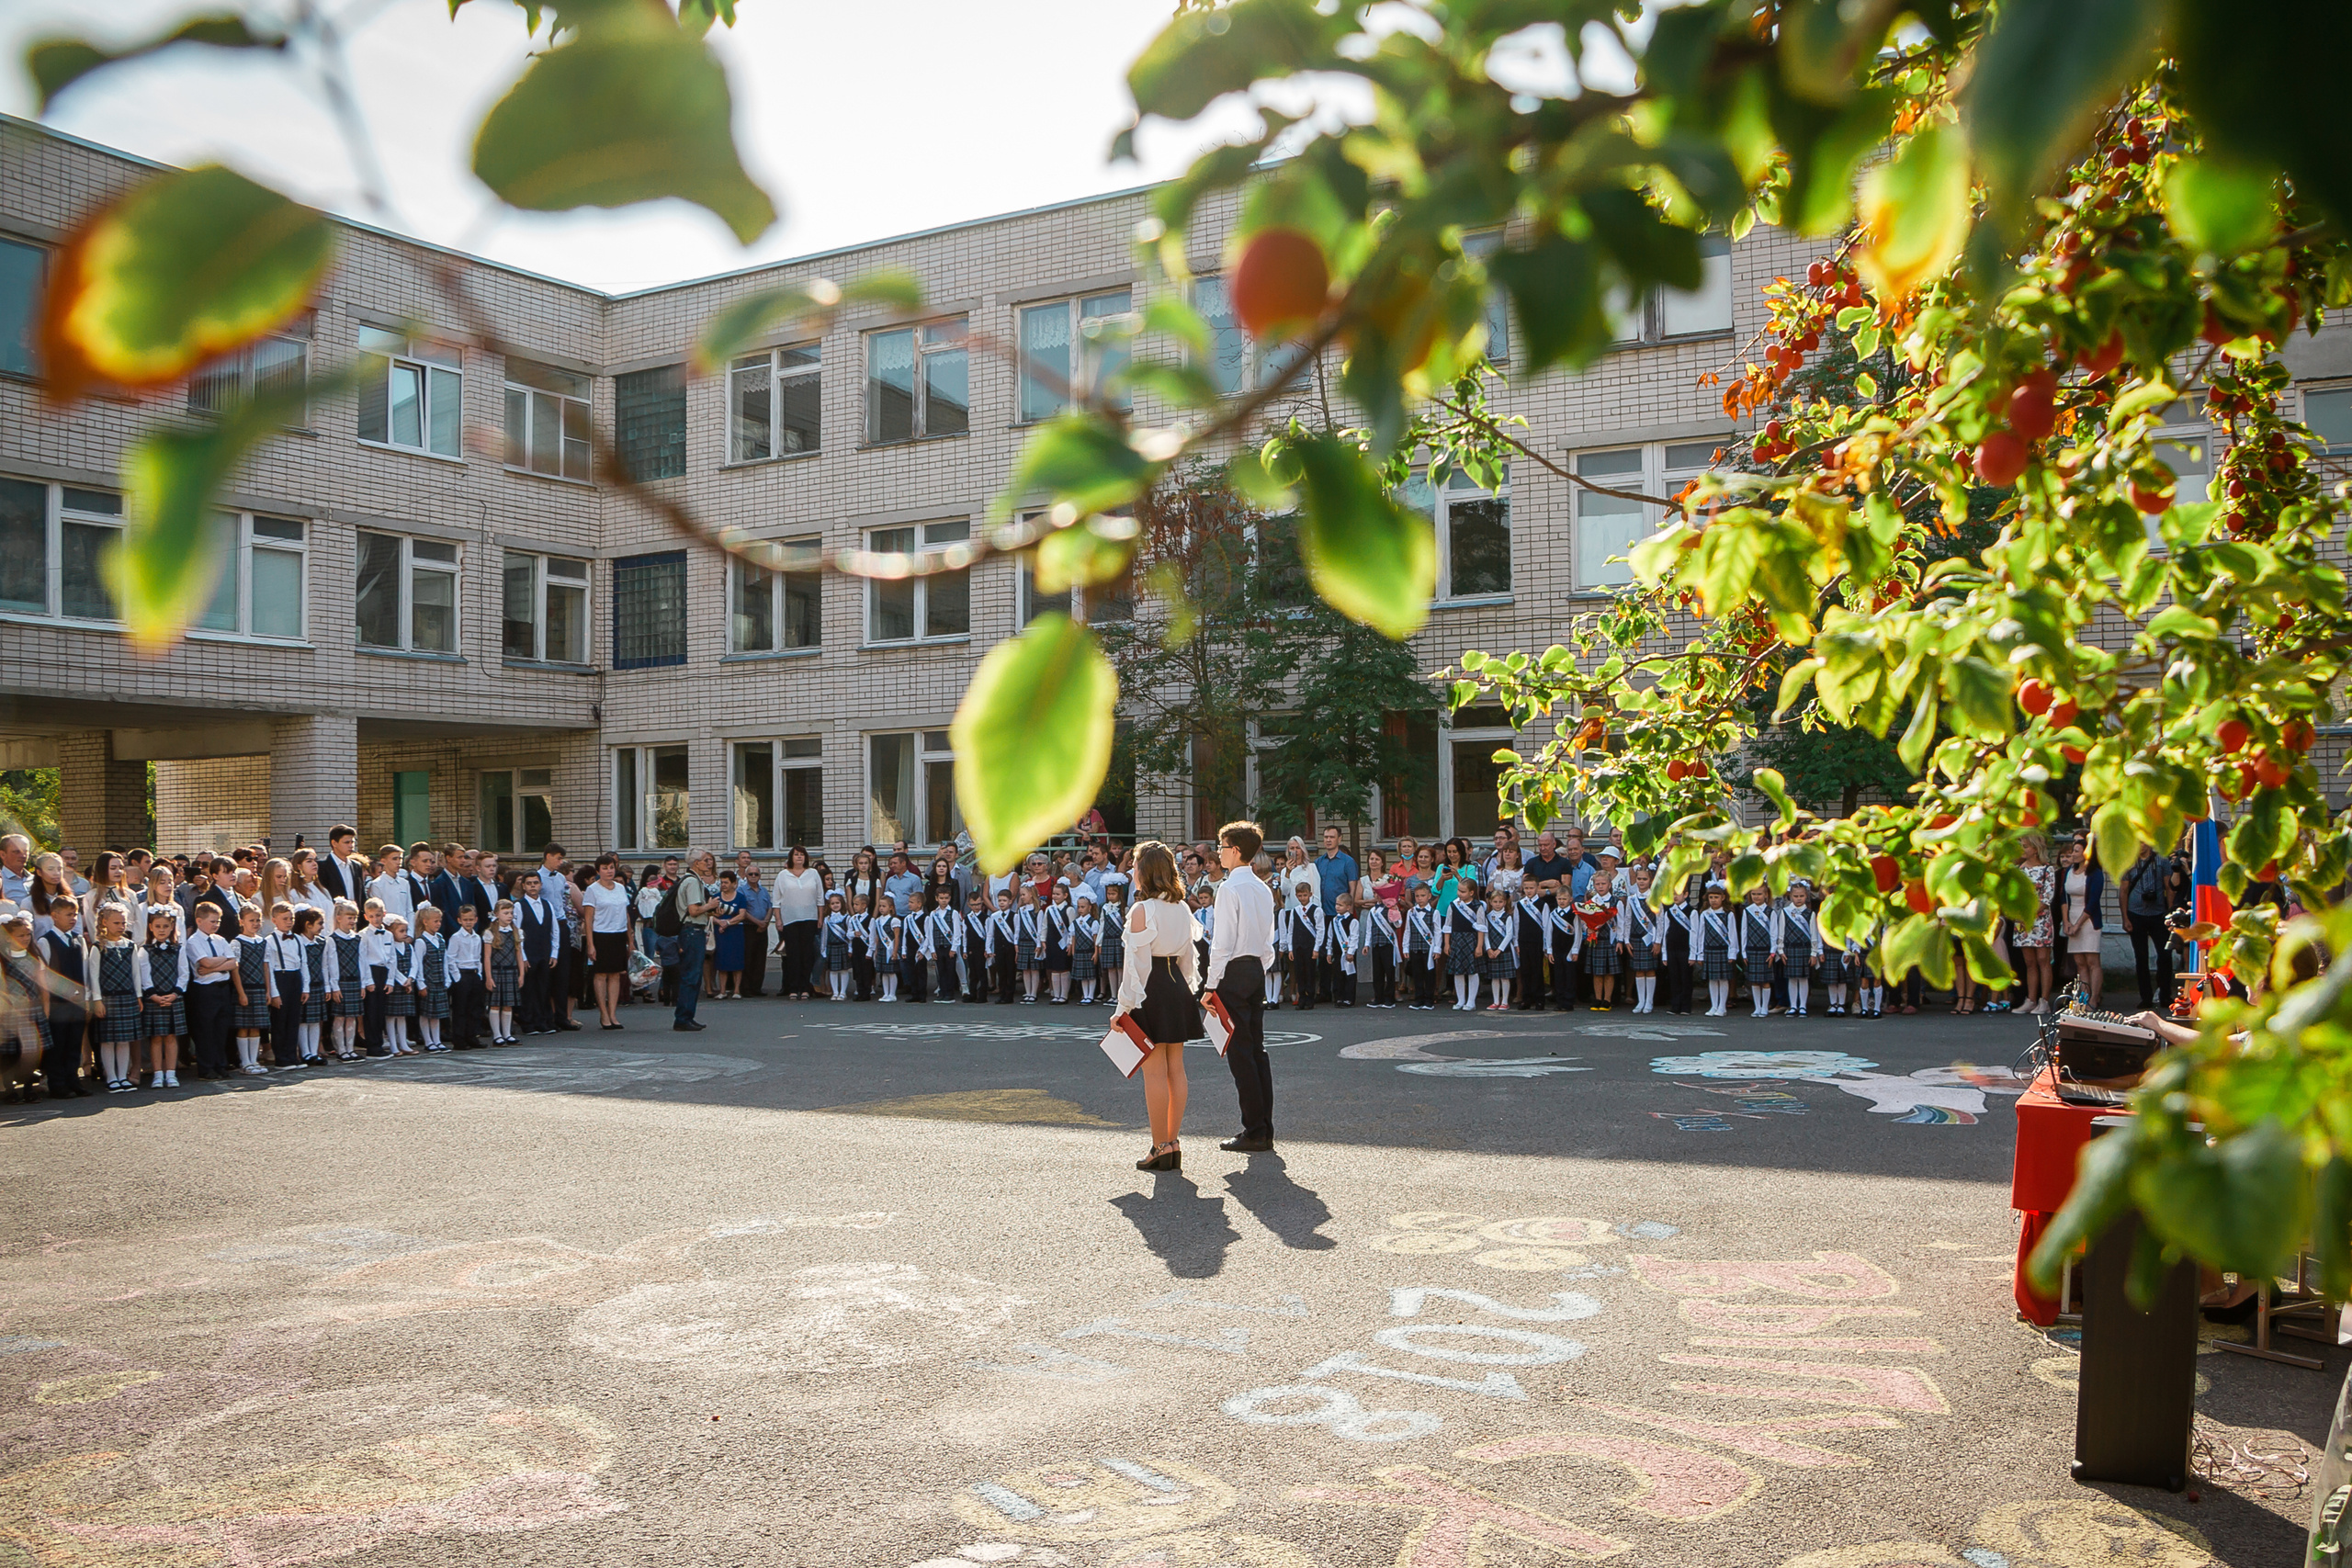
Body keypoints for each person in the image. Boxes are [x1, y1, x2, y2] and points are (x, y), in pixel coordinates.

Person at [1199, 820, 1277, 1153]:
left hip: (1232, 971)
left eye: (1221, 847)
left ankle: (1254, 1129)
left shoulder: (1229, 888)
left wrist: (1210, 983)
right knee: (1255, 1050)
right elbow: (1269, 941)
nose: (1218, 853)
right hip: (1256, 969)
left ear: (1236, 850)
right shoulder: (1262, 887)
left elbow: (1222, 942)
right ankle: (1264, 1127)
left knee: (1239, 1053)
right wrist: (1259, 967)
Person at [2120, 842, 2181, 1010]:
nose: (2140, 845)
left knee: (2164, 955)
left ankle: (2165, 995)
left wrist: (2170, 913)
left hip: (2158, 914)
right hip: (2136, 914)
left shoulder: (2161, 861)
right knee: (2141, 957)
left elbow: (2169, 888)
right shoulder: (2129, 861)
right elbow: (2123, 891)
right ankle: (2145, 997)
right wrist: (2125, 917)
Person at [582, 853, 635, 1029]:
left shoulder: (620, 888)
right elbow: (588, 919)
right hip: (600, 935)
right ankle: (603, 1014)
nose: (609, 871)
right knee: (601, 974)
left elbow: (625, 915)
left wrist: (630, 940)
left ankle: (613, 1014)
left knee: (616, 974)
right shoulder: (593, 890)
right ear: (598, 871)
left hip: (618, 935)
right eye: (604, 868)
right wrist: (590, 944)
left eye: (611, 867)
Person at [669, 852, 718, 1031]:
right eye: (706, 860)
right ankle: (683, 1018)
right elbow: (693, 910)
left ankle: (687, 1015)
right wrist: (709, 906)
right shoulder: (692, 882)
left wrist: (709, 911)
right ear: (696, 863)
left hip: (692, 930)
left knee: (692, 975)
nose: (709, 863)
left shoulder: (691, 880)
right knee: (691, 975)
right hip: (692, 931)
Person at [141, 904, 185, 1089]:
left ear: (172, 927)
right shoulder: (145, 950)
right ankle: (158, 1074)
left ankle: (171, 1074)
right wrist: (153, 995)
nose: (161, 930)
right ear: (151, 927)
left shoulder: (178, 948)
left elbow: (184, 973)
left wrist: (175, 993)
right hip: (155, 998)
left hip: (173, 997)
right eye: (157, 926)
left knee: (171, 1036)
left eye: (166, 926)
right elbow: (144, 974)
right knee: (157, 1037)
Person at [2057, 838, 2105, 1010]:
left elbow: (2093, 902)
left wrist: (2078, 924)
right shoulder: (2069, 871)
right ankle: (2083, 999)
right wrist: (2067, 922)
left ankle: (2094, 999)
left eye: (2076, 851)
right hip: (2072, 918)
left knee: (2092, 961)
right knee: (2080, 963)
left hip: (2089, 920)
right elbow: (2064, 897)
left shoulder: (2095, 873)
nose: (2073, 854)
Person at [773, 846, 824, 1000]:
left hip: (810, 918)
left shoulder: (813, 873)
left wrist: (820, 918)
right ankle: (793, 988)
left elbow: (820, 898)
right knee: (793, 955)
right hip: (790, 919)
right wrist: (778, 920)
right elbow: (776, 900)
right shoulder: (783, 875)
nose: (799, 857)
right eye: (796, 855)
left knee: (807, 955)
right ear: (791, 857)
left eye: (802, 855)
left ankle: (805, 988)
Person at [326, 899, 366, 1060]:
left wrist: (363, 983)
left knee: (352, 1016)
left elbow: (362, 962)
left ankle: (350, 1048)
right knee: (340, 1017)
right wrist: (334, 986)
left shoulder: (357, 938)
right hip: (341, 982)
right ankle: (341, 1049)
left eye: (354, 918)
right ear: (339, 918)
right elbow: (332, 965)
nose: (352, 921)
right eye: (349, 917)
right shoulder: (332, 939)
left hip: (355, 981)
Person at [1696, 882, 1736, 1016]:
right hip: (1709, 950)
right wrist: (1700, 954)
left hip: (1723, 950)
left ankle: (1722, 1006)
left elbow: (1732, 935)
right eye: (1711, 897)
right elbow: (1701, 935)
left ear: (1723, 898)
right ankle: (1714, 1006)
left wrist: (1732, 953)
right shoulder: (1704, 914)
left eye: (1716, 897)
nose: (1713, 900)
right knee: (1712, 979)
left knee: (1723, 979)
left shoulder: (1728, 914)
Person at [487, 900, 524, 1045]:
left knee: (508, 1004)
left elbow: (519, 954)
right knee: (495, 1004)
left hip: (511, 971)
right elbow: (487, 957)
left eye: (511, 913)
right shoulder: (490, 933)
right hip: (497, 971)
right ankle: (497, 1035)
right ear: (496, 914)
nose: (509, 916)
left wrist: (521, 974)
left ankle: (507, 1034)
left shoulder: (516, 932)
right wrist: (488, 977)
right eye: (505, 913)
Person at [737, 859, 773, 998]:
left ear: (760, 876)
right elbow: (743, 911)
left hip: (763, 927)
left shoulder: (764, 891)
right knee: (748, 958)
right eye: (750, 874)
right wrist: (758, 923)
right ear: (746, 876)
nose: (753, 876)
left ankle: (757, 987)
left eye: (756, 874)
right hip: (749, 927)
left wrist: (766, 922)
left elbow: (770, 906)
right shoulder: (741, 890)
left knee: (760, 959)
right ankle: (746, 988)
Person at [710, 871, 747, 998]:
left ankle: (737, 991)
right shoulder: (715, 898)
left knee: (737, 960)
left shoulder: (740, 897)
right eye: (722, 882)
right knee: (722, 961)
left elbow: (742, 915)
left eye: (726, 882)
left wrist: (728, 922)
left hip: (735, 932)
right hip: (720, 933)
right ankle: (722, 991)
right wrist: (719, 921)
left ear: (734, 884)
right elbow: (709, 915)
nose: (723, 885)